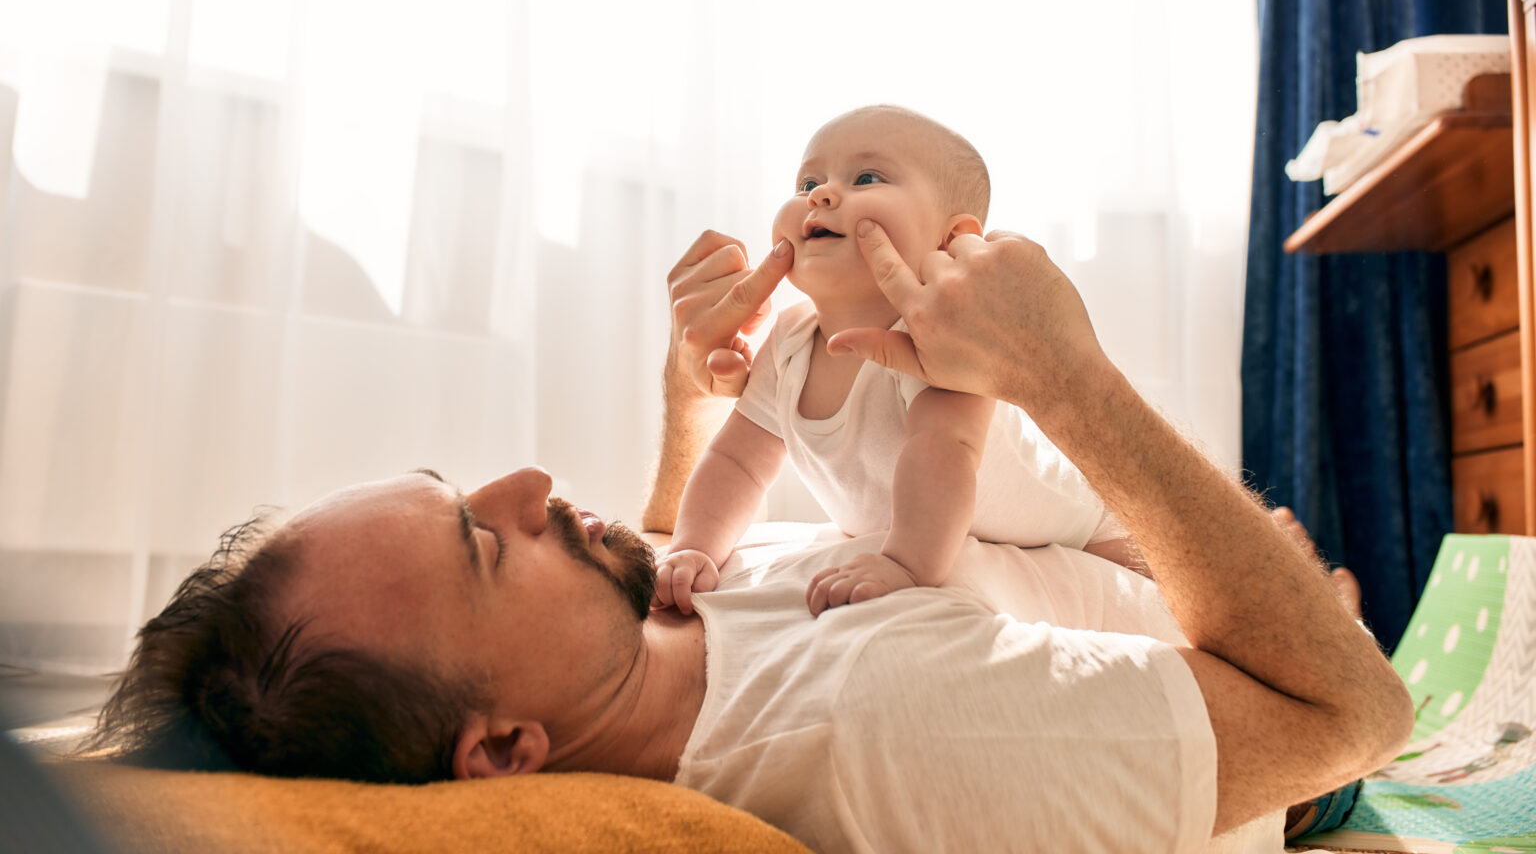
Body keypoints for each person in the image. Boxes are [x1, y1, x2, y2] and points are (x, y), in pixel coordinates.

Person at [86, 221, 1414, 852]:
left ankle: (1294, 572)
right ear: (502, 750)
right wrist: (1065, 378)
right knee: (1320, 609)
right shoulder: (892, 728)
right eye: (489, 545)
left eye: (466, 488)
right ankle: (1310, 583)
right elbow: (1355, 714)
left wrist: (694, 396)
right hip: (1291, 758)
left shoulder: (654, 631)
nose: (534, 484)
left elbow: (673, 533)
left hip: (1123, 597)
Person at [653, 106, 1133, 619]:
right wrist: (695, 546)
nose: (821, 195)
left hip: (1085, 525)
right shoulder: (790, 340)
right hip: (966, 526)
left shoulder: (946, 343)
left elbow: (942, 451)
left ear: (951, 240)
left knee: (1153, 593)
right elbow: (737, 463)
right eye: (806, 182)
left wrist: (906, 563)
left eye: (865, 178)